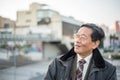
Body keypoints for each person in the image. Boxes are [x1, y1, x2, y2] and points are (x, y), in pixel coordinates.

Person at [44, 23, 117, 80]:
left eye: (83, 37)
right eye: (77, 36)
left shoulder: (109, 70)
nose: (77, 41)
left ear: (95, 44)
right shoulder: (57, 63)